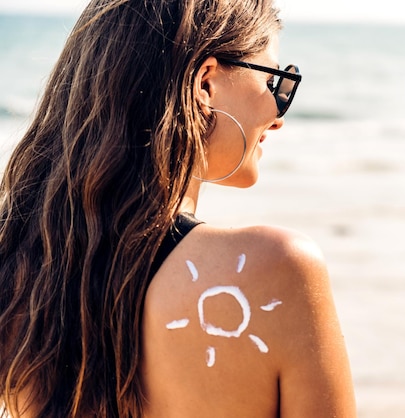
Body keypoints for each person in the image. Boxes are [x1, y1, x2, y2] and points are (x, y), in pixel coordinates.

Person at [0, 0, 356, 416]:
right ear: (206, 82)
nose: (278, 115)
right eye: (276, 82)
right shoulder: (278, 268)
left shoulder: (24, 275)